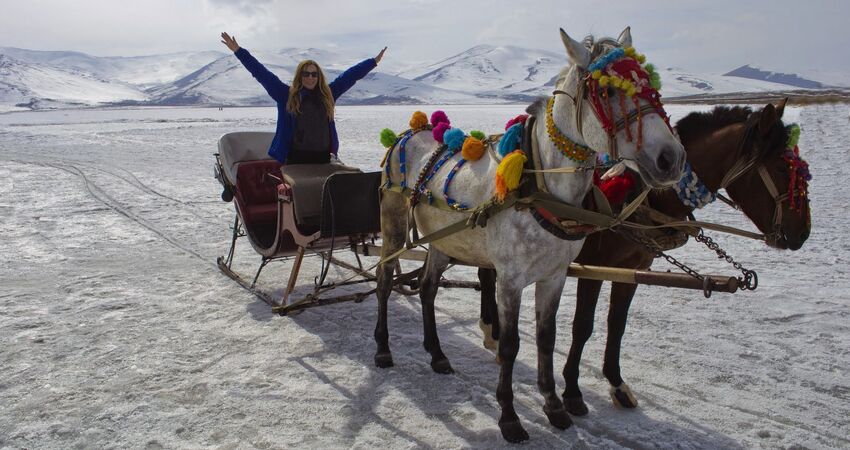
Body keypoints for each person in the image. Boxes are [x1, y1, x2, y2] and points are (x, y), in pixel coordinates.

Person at [221, 32, 386, 164]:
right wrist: (238, 51)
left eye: (314, 74)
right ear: (300, 76)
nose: (310, 77)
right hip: (295, 159)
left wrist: (373, 62)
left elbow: (350, 76)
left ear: (318, 76)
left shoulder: (328, 95)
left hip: (322, 158)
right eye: (306, 74)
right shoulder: (285, 95)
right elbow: (261, 73)